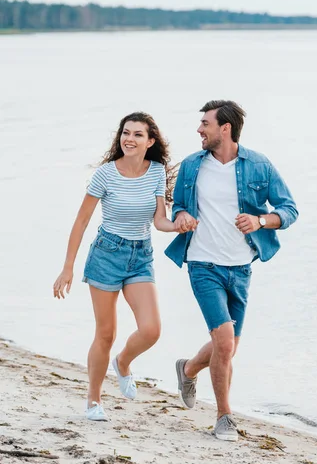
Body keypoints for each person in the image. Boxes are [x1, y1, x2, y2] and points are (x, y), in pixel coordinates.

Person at [165, 100, 298, 442]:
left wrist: (260, 220)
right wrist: (181, 217)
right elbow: (179, 205)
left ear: (225, 128)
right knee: (224, 342)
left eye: (205, 124)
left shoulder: (259, 165)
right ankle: (224, 417)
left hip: (240, 268)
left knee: (228, 346)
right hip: (202, 264)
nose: (199, 129)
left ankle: (189, 369)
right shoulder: (193, 165)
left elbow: (289, 209)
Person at [53, 112, 180, 422]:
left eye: (138, 134)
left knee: (151, 329)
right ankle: (93, 401)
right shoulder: (106, 174)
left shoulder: (156, 172)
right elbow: (81, 220)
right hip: (106, 256)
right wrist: (67, 267)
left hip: (140, 257)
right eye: (126, 132)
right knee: (105, 334)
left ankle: (122, 363)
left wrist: (179, 226)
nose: (130, 139)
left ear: (150, 141)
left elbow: (159, 220)